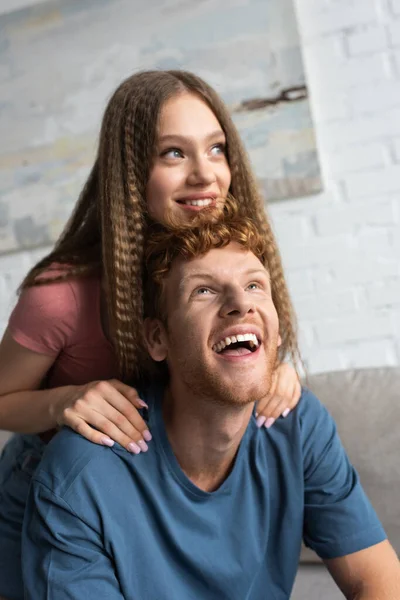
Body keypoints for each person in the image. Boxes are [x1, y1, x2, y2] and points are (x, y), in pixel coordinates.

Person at [0, 70, 301, 599]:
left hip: (149, 493)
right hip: (49, 499)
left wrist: (275, 373)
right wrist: (65, 400)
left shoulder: (229, 268)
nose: (205, 174)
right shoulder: (59, 295)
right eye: (173, 154)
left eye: (215, 148)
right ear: (131, 170)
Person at [22, 207, 400, 599]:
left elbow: (376, 579)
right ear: (157, 339)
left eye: (255, 285)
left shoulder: (297, 424)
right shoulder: (81, 476)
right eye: (203, 290)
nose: (241, 303)